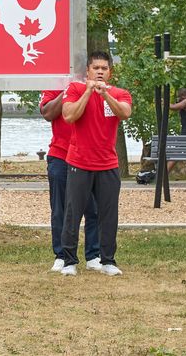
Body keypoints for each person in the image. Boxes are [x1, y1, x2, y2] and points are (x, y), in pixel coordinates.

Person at [58, 51, 132, 277]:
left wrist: (105, 95)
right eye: (96, 68)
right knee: (73, 213)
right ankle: (69, 261)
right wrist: (89, 92)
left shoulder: (120, 94)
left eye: (104, 68)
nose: (100, 71)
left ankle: (107, 260)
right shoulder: (75, 89)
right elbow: (69, 116)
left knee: (108, 214)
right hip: (79, 162)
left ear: (110, 72)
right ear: (88, 71)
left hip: (107, 164)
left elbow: (125, 113)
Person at [40, 89, 101, 273]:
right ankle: (61, 256)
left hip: (89, 156)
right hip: (60, 155)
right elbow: (48, 113)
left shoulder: (95, 86)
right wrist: (67, 90)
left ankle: (94, 255)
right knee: (60, 209)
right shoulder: (55, 85)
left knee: (93, 208)